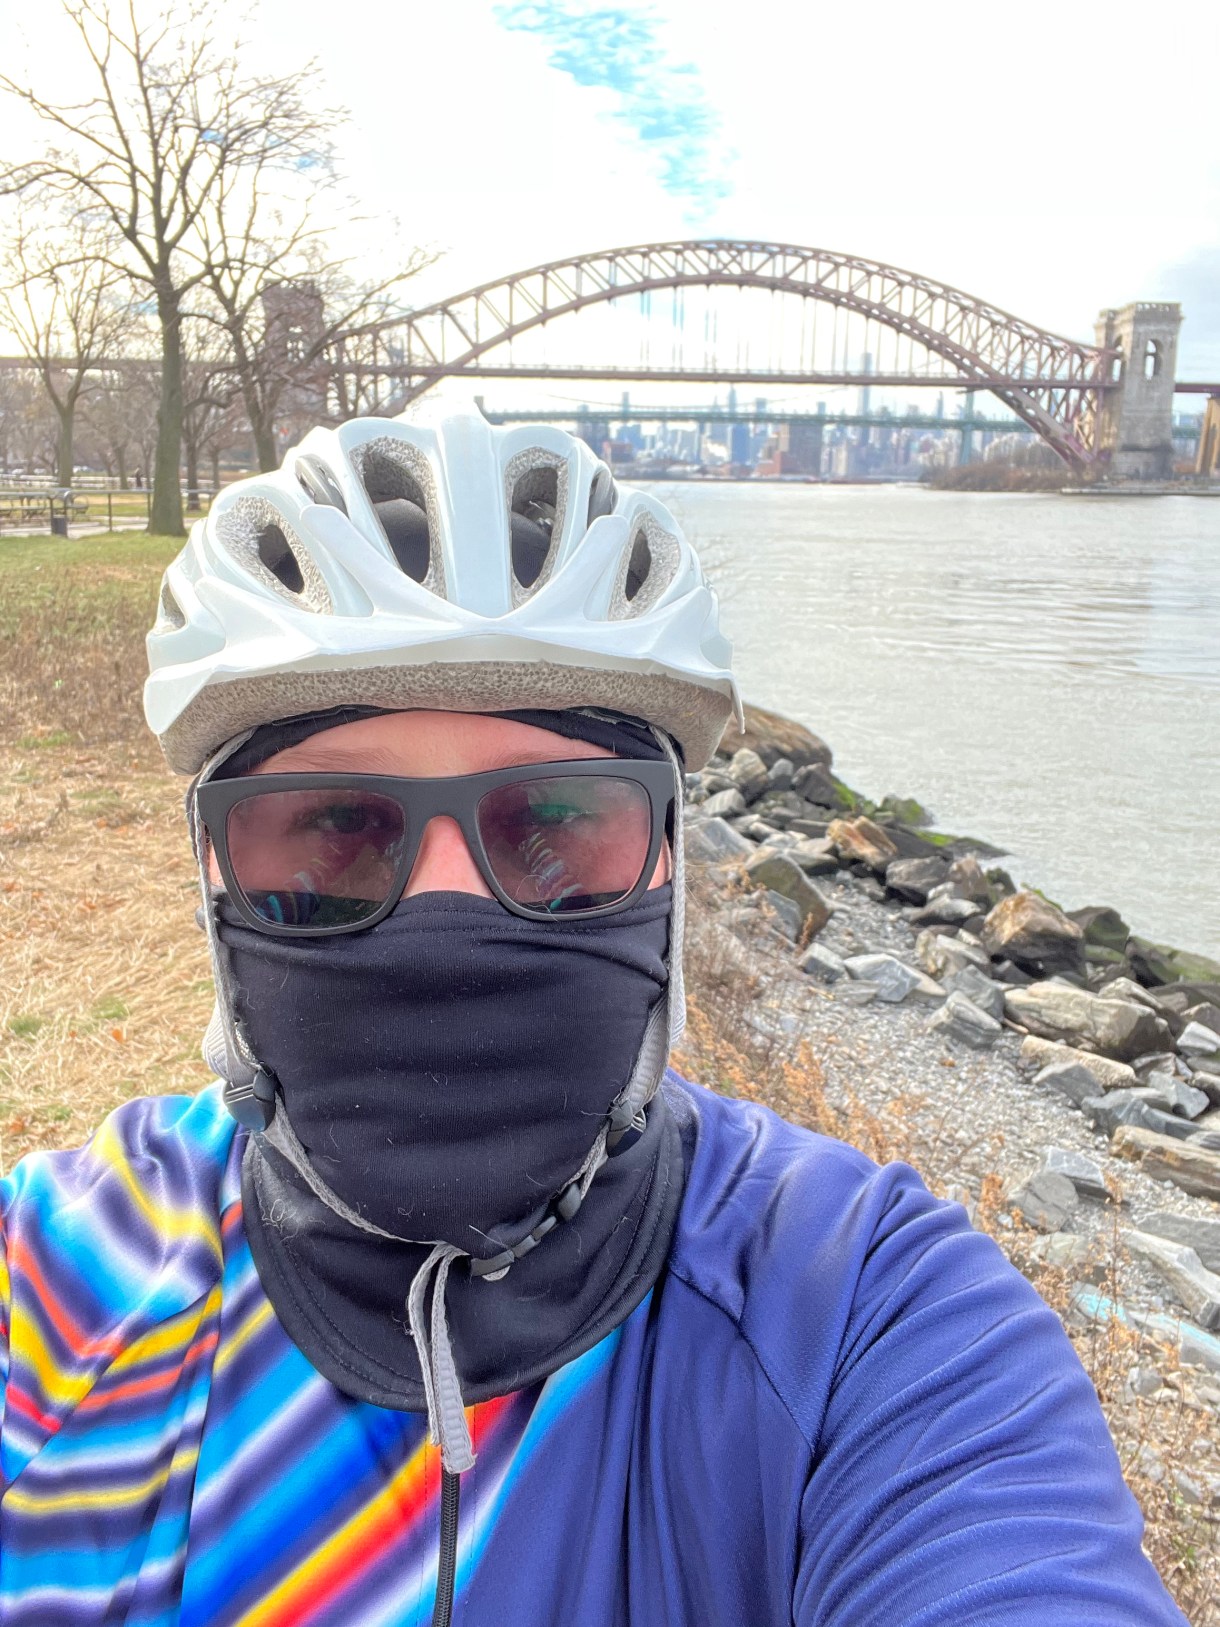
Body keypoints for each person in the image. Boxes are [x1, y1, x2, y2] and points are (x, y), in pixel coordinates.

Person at [0, 403, 1186, 1626]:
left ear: (668, 862)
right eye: (338, 827)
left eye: (554, 823)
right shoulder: (52, 1292)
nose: (447, 916)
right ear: (213, 879)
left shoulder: (865, 1320)